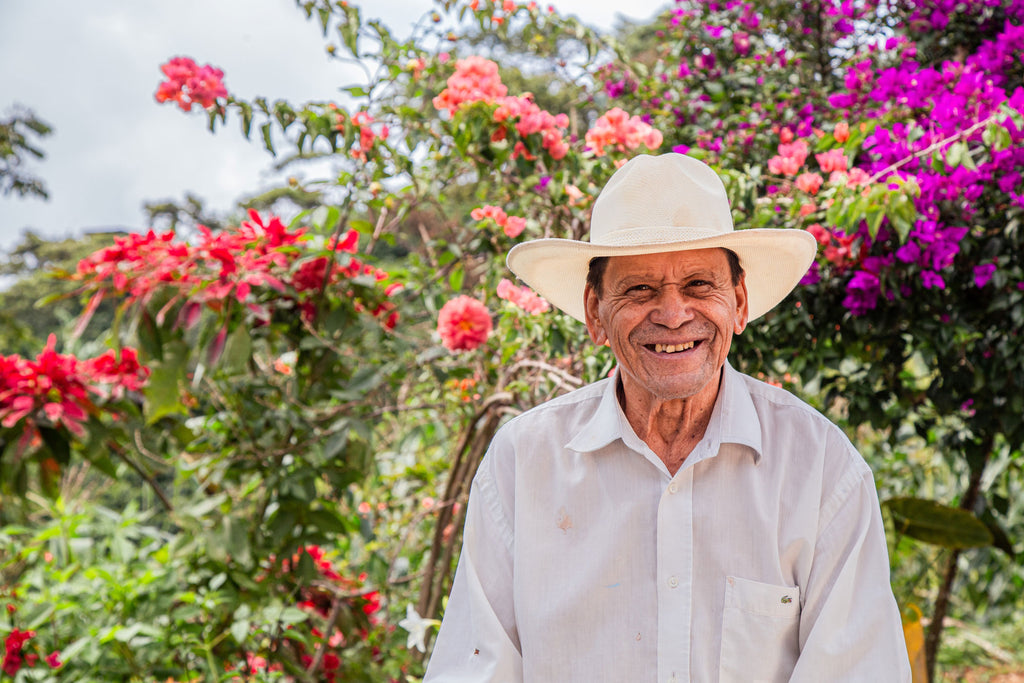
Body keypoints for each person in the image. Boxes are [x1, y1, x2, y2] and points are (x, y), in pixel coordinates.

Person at [424, 154, 911, 682]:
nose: (674, 314)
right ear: (595, 313)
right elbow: (476, 668)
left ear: (740, 303)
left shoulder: (819, 465)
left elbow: (858, 670)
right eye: (639, 289)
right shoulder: (523, 463)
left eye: (700, 285)